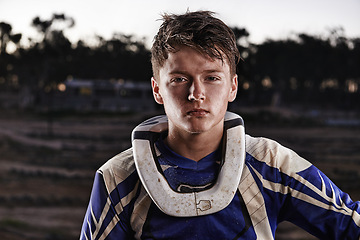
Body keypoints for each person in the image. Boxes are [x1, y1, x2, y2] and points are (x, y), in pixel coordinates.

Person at [80, 11, 360, 239]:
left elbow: (351, 225)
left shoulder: (272, 164)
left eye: (212, 78)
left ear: (233, 87)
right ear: (157, 89)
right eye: (179, 79)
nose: (195, 93)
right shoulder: (117, 178)